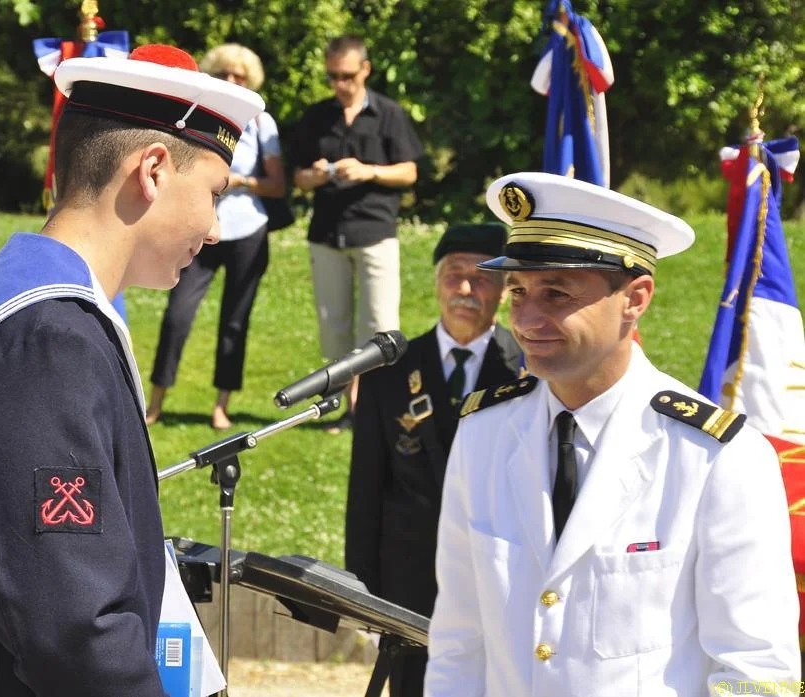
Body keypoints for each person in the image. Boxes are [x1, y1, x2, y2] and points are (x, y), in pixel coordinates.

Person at [0, 45, 264, 697]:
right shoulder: (48, 339)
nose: (215, 229)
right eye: (214, 193)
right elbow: (76, 636)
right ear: (153, 168)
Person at [425, 172, 800, 696]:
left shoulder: (716, 455)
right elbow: (458, 643)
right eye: (517, 292)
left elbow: (757, 669)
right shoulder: (483, 433)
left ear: (636, 297)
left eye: (556, 293)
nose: (527, 318)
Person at [345, 224, 522, 696]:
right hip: (410, 584)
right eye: (454, 275)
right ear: (437, 282)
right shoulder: (389, 371)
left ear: (505, 291)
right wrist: (364, 592)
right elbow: (366, 487)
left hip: (500, 583)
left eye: (482, 277)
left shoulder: (527, 370)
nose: (466, 288)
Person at [145, 43, 286, 430]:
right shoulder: (199, 116)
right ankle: (156, 400)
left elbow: (278, 184)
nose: (231, 81)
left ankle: (221, 404)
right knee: (178, 315)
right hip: (199, 225)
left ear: (250, 80)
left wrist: (239, 181)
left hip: (248, 230)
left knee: (234, 321)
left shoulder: (262, 123)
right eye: (224, 74)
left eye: (239, 76)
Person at [292, 34, 424, 432]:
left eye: (346, 75)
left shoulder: (388, 113)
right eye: (332, 76)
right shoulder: (317, 116)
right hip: (328, 234)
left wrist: (369, 171)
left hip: (375, 231)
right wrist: (316, 176)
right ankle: (339, 406)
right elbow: (298, 178)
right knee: (334, 328)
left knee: (380, 325)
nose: (339, 84)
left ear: (365, 69)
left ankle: (376, 408)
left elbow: (410, 171)